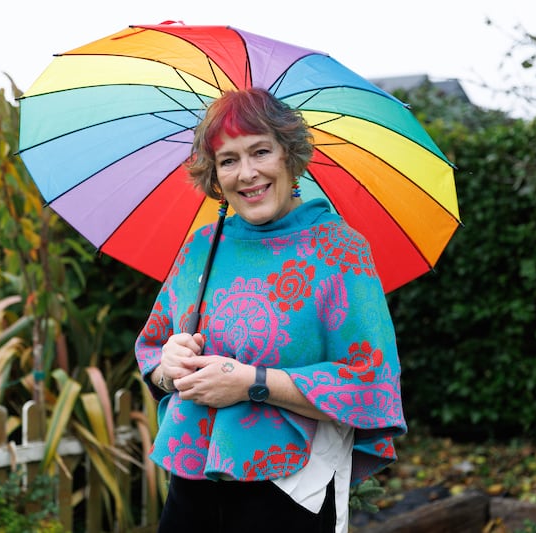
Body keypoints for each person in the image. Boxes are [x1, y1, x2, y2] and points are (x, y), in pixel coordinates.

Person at [134, 87, 406, 533]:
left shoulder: (338, 250)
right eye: (228, 160)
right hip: (192, 483)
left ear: (289, 156)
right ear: (214, 173)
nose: (247, 173)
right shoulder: (203, 247)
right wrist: (169, 366)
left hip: (291, 487)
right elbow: (154, 354)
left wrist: (252, 383)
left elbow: (369, 382)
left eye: (260, 151)